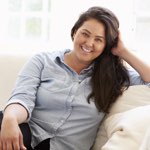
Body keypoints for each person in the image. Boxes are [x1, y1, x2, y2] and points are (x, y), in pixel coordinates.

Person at [0, 6, 150, 150]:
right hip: (26, 137)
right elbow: (22, 98)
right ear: (74, 32)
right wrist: (10, 119)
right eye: (85, 34)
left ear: (107, 45)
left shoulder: (113, 76)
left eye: (99, 39)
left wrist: (123, 51)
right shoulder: (42, 61)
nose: (89, 43)